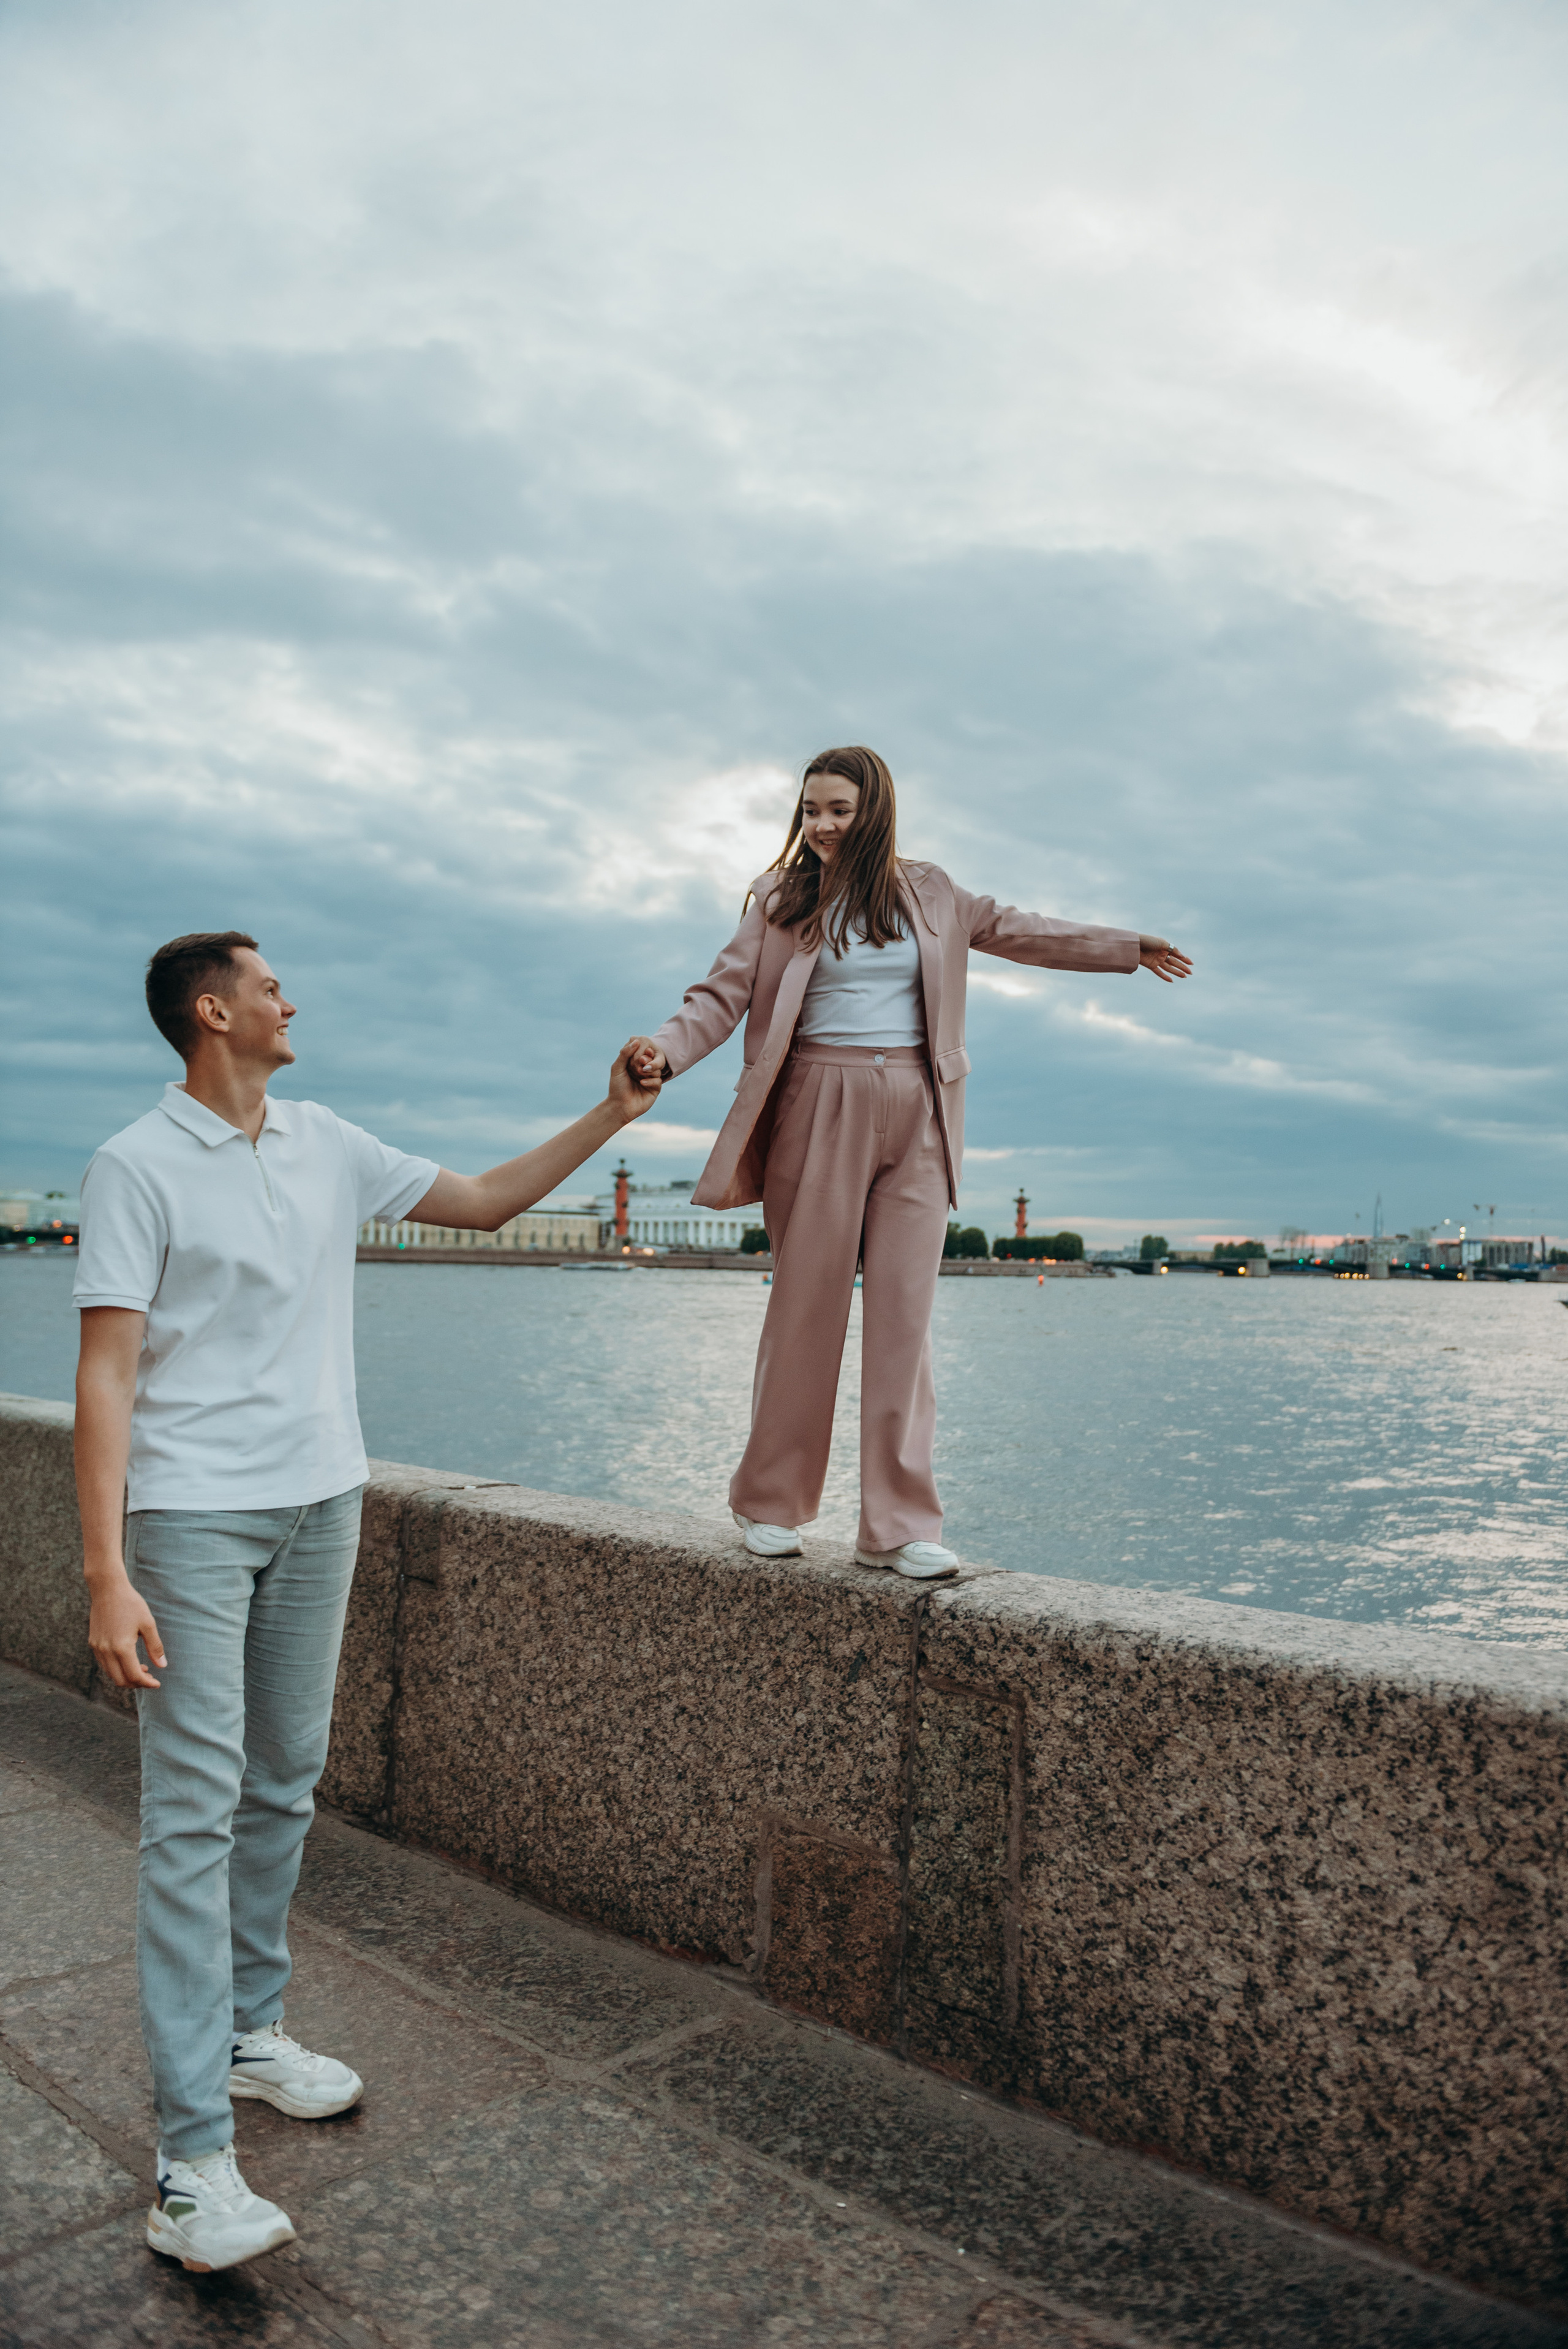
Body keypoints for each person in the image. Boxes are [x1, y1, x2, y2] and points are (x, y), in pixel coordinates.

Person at [73, 930, 660, 2275]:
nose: (293, 999)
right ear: (213, 1012)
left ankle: (249, 2032)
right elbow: (105, 1376)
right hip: (190, 1519)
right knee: (190, 1815)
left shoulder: (326, 1141)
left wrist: (612, 1116)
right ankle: (188, 2167)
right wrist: (107, 1571)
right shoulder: (134, 1165)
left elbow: (488, 1202)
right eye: (269, 985)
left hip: (321, 1501)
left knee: (285, 1780)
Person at [627, 746, 1190, 1579]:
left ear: (876, 810)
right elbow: (721, 994)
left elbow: (1025, 931)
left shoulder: (933, 893)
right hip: (817, 1100)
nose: (821, 826)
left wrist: (1125, 947)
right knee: (805, 1310)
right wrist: (665, 1052)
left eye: (839, 809)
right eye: (810, 809)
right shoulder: (782, 900)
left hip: (922, 1112)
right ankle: (770, 1502)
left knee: (906, 1324)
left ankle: (896, 1527)